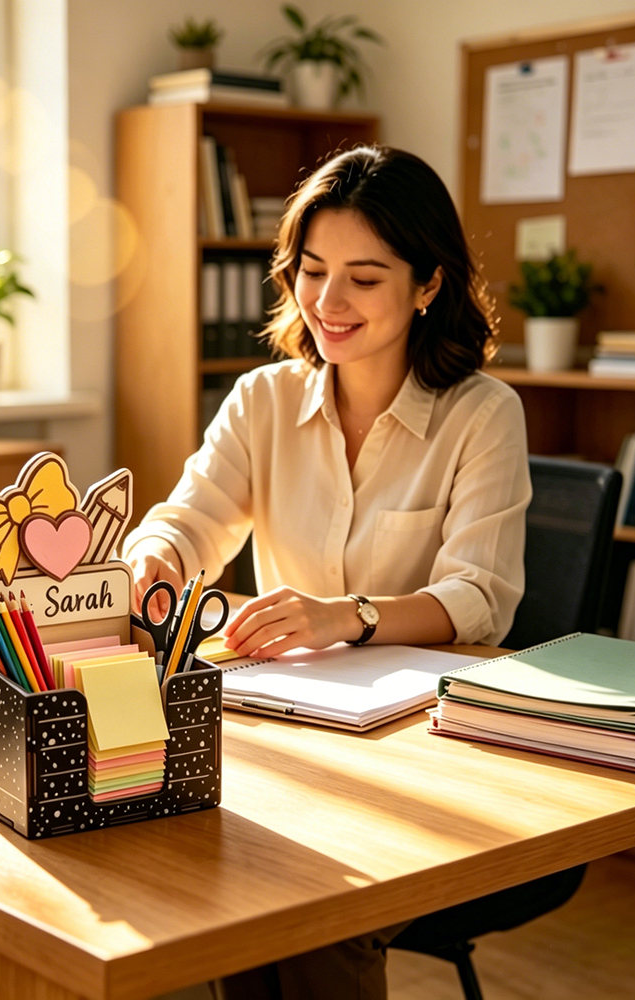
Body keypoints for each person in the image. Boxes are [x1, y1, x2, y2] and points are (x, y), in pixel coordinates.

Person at [122, 145, 532, 999]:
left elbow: (480, 602)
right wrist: (153, 558)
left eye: (364, 278)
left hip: (426, 758)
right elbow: (189, 520)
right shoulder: (261, 401)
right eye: (312, 271)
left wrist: (347, 614)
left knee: (317, 915)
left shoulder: (483, 415)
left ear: (428, 286)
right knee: (202, 889)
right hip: (289, 740)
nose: (327, 303)